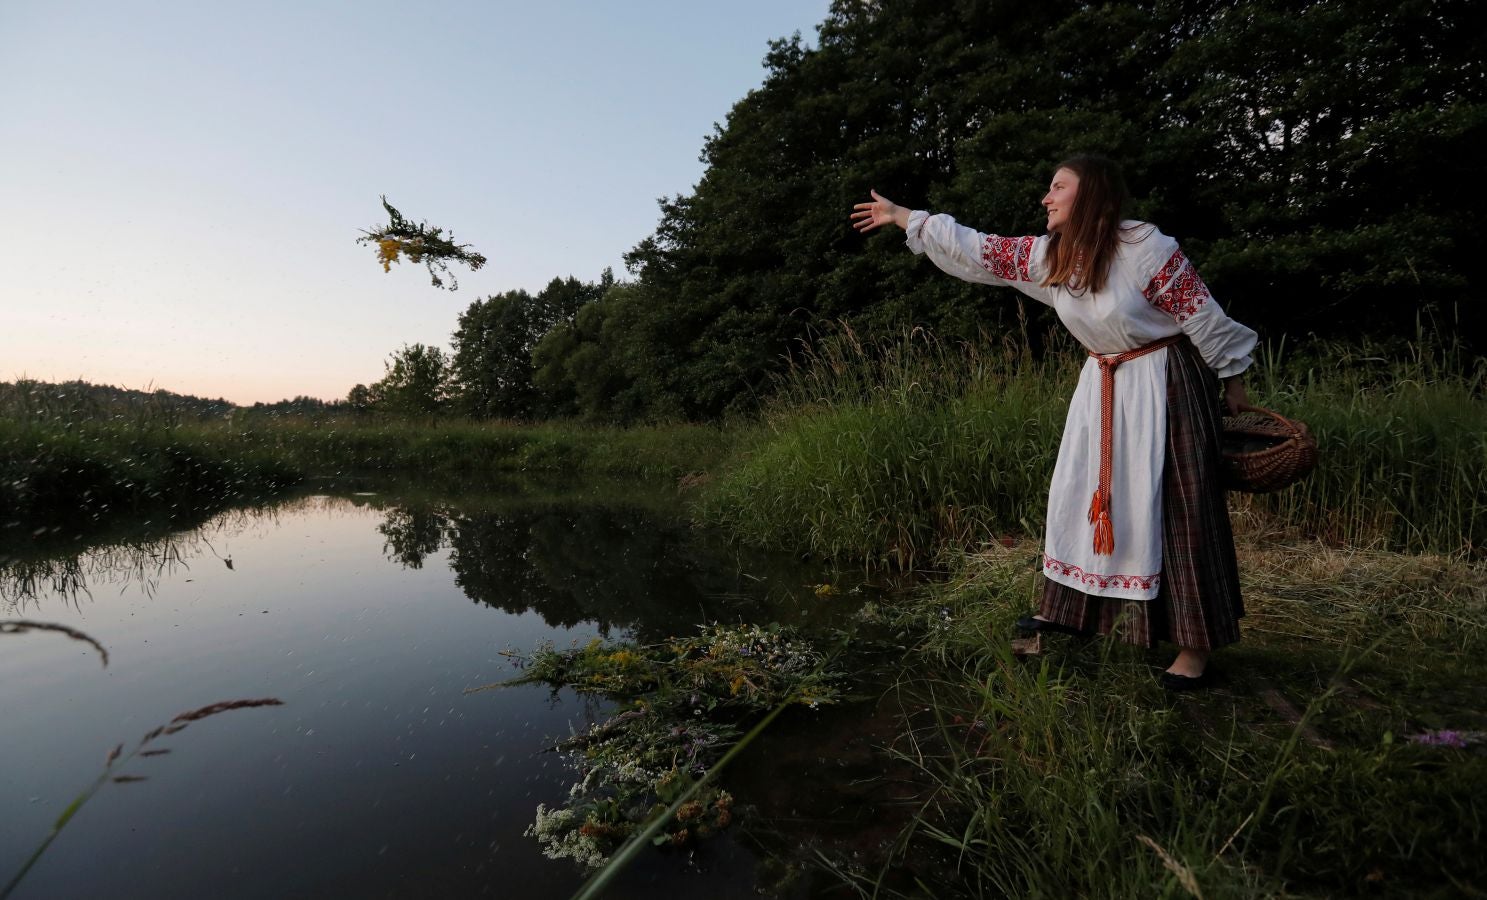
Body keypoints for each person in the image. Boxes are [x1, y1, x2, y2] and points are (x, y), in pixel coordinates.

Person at [850, 155, 1256, 690]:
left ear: (1091, 196)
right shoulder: (1052, 258)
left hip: (1165, 385)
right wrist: (905, 216)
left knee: (1179, 509)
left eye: (1058, 187)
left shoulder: (1145, 248)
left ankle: (1194, 650)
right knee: (1083, 499)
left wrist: (1232, 378)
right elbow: (980, 249)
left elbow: (1199, 313)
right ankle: (1073, 613)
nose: (1047, 197)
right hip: (1103, 388)